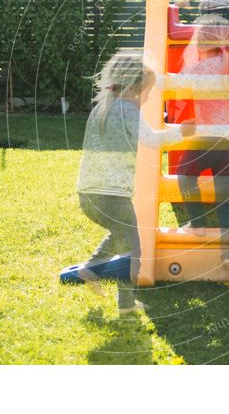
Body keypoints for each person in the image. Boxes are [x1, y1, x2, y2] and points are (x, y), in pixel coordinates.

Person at [76, 49, 190, 315]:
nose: (149, 96)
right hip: (111, 194)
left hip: (88, 193)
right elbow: (150, 140)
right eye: (147, 92)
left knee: (124, 236)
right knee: (131, 244)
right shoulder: (128, 110)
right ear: (134, 88)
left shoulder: (101, 108)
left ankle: (95, 274)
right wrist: (181, 132)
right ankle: (105, 284)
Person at [176, 23, 229, 280]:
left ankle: (198, 222)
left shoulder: (199, 69)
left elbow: (177, 84)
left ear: (201, 46)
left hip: (206, 141)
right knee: (228, 204)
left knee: (185, 174)